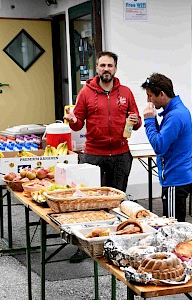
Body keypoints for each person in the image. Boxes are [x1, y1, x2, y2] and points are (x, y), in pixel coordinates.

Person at [63, 51, 141, 262]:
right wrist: (72, 120)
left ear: (115, 68)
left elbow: (137, 121)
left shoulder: (126, 92)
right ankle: (85, 246)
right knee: (90, 202)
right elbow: (78, 123)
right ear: (96, 68)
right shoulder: (86, 93)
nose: (106, 69)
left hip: (120, 154)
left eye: (110, 65)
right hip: (93, 155)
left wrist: (135, 119)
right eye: (102, 65)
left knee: (117, 202)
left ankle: (117, 243)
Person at [141, 73, 192, 222]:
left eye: (150, 96)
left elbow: (159, 146)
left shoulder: (175, 116)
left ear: (162, 94)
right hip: (177, 179)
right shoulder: (175, 111)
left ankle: (179, 246)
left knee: (172, 227)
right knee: (175, 224)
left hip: (174, 180)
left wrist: (149, 121)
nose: (148, 100)